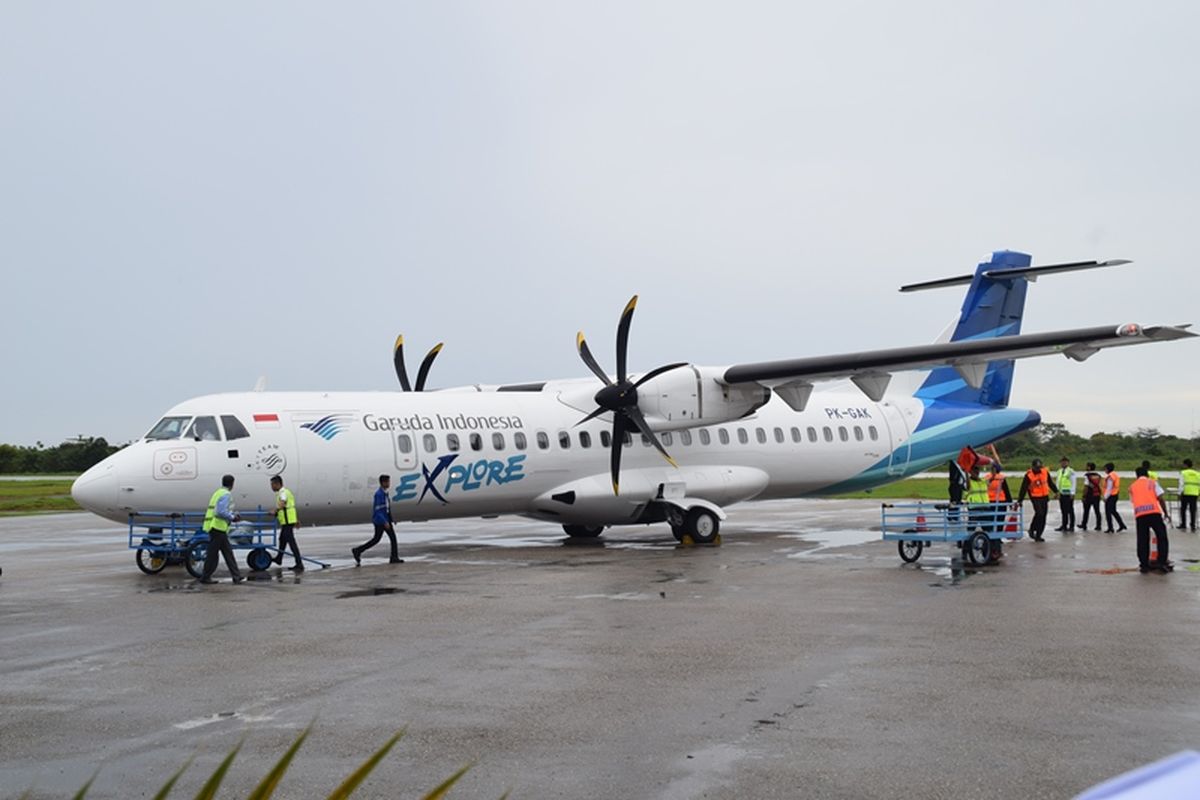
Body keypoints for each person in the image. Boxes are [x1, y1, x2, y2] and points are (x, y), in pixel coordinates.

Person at [200, 474, 244, 584]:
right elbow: (220, 512)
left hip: (215, 527)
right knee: (213, 554)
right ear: (232, 484)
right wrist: (232, 517)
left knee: (226, 552)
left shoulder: (218, 493)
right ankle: (205, 577)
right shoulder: (226, 494)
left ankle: (236, 576)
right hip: (218, 527)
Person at [352, 474, 403, 565]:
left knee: (380, 539)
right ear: (382, 483)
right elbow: (378, 510)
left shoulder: (384, 493)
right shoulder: (379, 494)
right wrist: (385, 522)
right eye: (387, 481)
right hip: (380, 521)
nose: (389, 483)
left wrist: (391, 519)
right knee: (381, 539)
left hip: (385, 520)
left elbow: (387, 508)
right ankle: (358, 550)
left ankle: (358, 550)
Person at [1129, 466, 1171, 574]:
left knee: (1142, 539)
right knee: (1161, 537)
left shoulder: (1132, 486)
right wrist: (1166, 513)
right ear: (1147, 474)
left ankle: (1144, 564)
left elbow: (1133, 501)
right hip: (1154, 513)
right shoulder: (1152, 483)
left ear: (1136, 475)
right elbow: (1160, 498)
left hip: (1140, 515)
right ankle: (1161, 561)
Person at [1017, 458, 1058, 542]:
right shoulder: (1029, 475)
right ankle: (1032, 529)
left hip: (1044, 496)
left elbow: (1050, 482)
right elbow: (1023, 488)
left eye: (1039, 467)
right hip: (1035, 496)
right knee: (1039, 513)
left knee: (1043, 516)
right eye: (1036, 467)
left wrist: (1056, 491)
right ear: (1032, 467)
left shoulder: (1045, 472)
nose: (1038, 469)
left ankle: (1038, 535)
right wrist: (1020, 500)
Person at [270, 475, 303, 571]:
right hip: (288, 520)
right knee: (282, 539)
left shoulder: (283, 493)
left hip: (288, 521)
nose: (271, 487)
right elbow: (290, 507)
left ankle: (299, 563)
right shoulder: (286, 492)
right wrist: (296, 519)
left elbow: (283, 503)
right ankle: (279, 558)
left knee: (291, 542)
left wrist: (275, 511)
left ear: (277, 484)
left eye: (272, 485)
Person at [1053, 456, 1076, 532]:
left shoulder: (1070, 471)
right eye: (1062, 462)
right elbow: (1058, 482)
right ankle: (1064, 525)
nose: (1063, 463)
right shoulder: (1059, 471)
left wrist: (1072, 493)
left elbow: (1073, 482)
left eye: (1065, 462)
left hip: (1068, 493)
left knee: (1070, 510)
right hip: (1061, 493)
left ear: (1068, 463)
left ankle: (1071, 526)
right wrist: (1056, 492)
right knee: (1063, 510)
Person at [1103, 462, 1127, 533]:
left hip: (1111, 495)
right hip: (1115, 494)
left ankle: (1110, 527)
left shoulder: (1110, 476)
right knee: (1113, 511)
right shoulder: (1115, 475)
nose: (1104, 470)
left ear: (1107, 469)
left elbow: (1109, 488)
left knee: (1108, 512)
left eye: (1105, 469)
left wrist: (1105, 497)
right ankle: (1121, 524)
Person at [1079, 462, 1103, 532]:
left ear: (1089, 467)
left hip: (1089, 495)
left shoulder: (1087, 476)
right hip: (1097, 495)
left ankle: (1084, 524)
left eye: (1087, 466)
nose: (1085, 468)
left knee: (1086, 511)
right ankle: (1098, 525)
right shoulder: (1098, 475)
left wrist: (1083, 496)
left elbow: (1086, 487)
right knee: (1097, 511)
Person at [1179, 458, 1200, 532]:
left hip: (1186, 493)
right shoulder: (1197, 473)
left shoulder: (1183, 473)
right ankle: (1193, 525)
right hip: (1194, 493)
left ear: (1185, 465)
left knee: (1183, 509)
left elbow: (1181, 484)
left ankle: (1183, 524)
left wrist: (1179, 493)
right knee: (1193, 510)